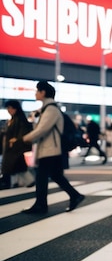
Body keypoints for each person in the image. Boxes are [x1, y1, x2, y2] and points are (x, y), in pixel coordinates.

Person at [13, 81, 85, 214]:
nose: (35, 93)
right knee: (56, 175)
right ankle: (74, 196)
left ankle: (41, 205)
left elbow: (42, 130)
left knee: (41, 177)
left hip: (50, 150)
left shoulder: (51, 109)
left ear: (43, 92)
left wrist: (22, 139)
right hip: (50, 149)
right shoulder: (47, 109)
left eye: (37, 91)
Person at [1, 100, 35, 189]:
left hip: (15, 148)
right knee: (18, 167)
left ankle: (12, 182)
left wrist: (16, 140)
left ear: (15, 109)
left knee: (14, 166)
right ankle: (26, 181)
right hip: (12, 148)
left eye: (10, 108)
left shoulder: (19, 120)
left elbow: (23, 133)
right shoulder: (13, 119)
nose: (8, 110)